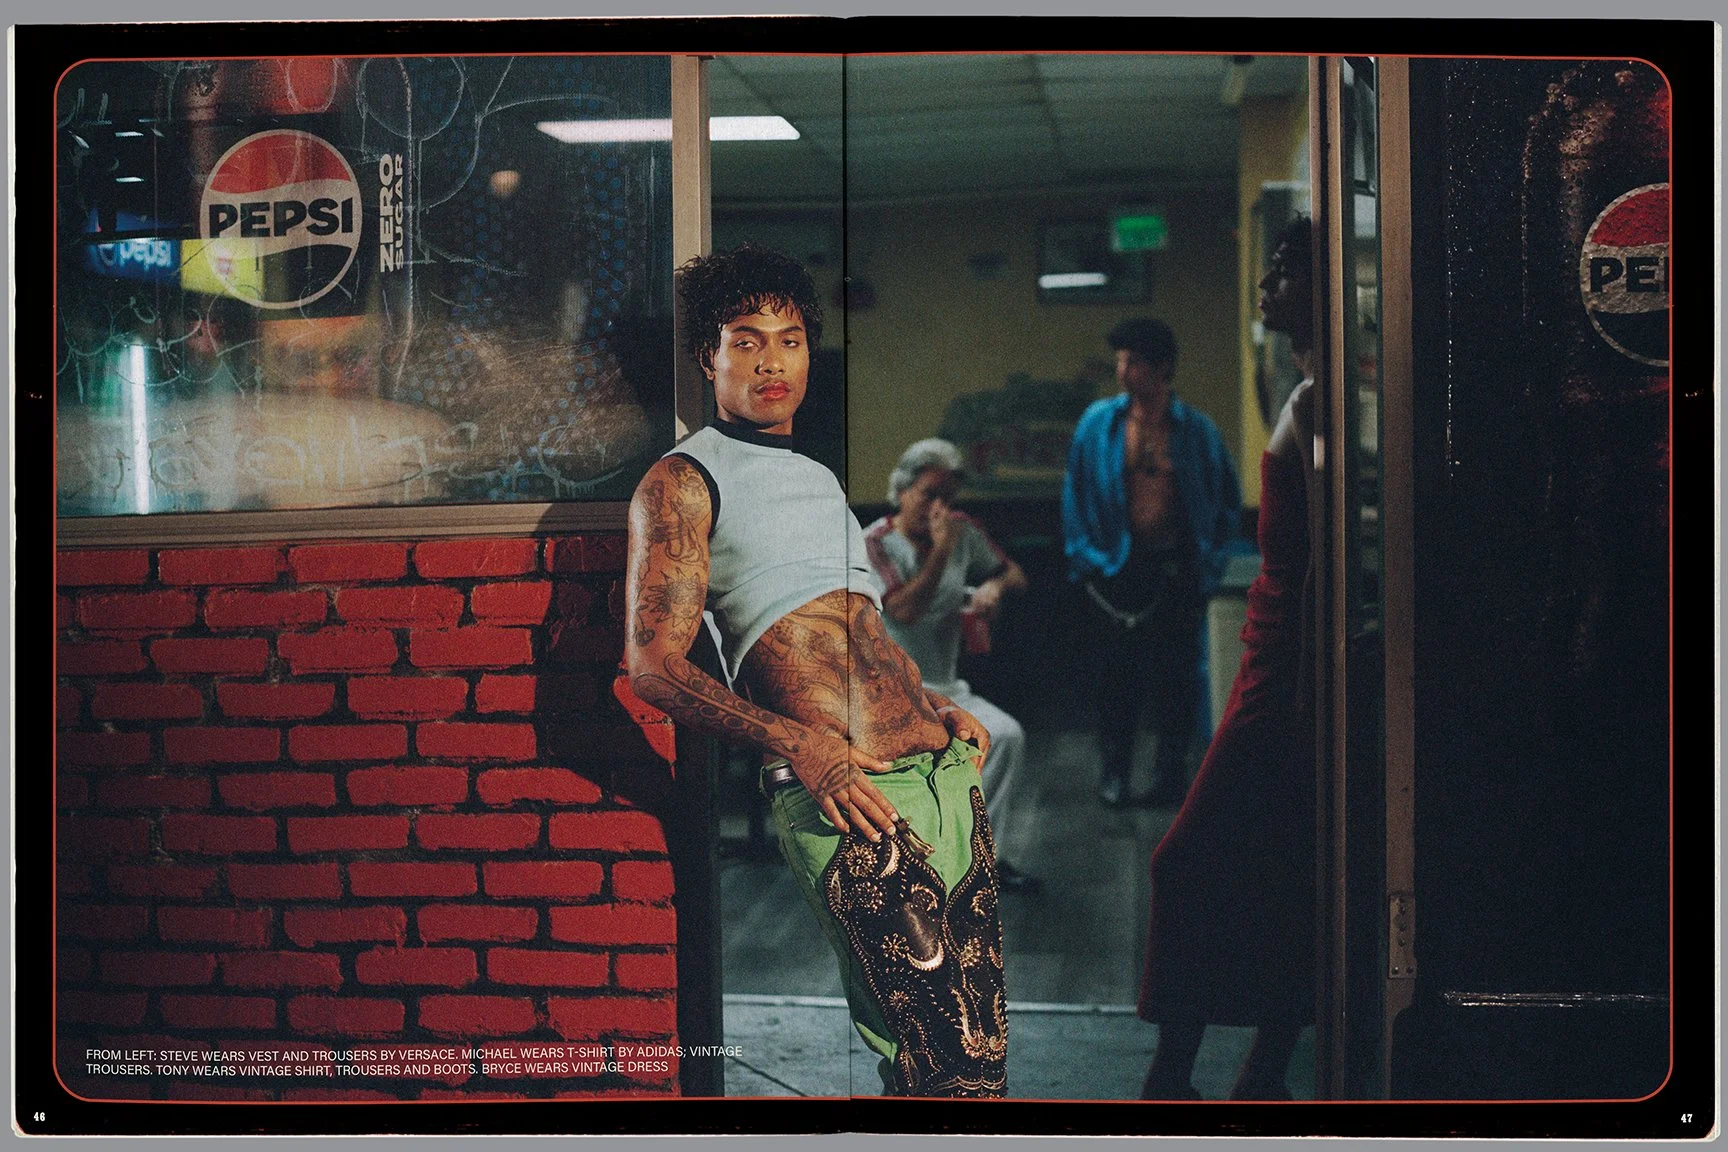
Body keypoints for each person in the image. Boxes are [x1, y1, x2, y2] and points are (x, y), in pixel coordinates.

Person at [623, 244, 1008, 1098]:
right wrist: (797, 743)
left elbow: (861, 634)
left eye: (790, 340)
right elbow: (651, 666)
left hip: (942, 771)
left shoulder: (817, 478)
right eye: (747, 340)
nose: (771, 361)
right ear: (708, 357)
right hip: (852, 793)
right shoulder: (685, 480)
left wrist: (935, 702)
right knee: (949, 1065)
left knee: (972, 1058)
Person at [1136, 215, 1318, 1101]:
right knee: (1291, 864)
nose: (1266, 277)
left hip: (1296, 665)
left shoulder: (1324, 400)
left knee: (1194, 859)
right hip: (1276, 646)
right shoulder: (1301, 389)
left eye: (1286, 266)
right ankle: (1257, 1073)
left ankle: (1181, 1075)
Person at [1061, 316, 1241, 807]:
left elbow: (1227, 498)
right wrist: (1088, 561)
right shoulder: (1100, 424)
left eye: (1134, 361)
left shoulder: (1197, 431)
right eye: (1119, 360)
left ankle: (1169, 778)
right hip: (1116, 570)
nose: (1123, 371)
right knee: (1117, 679)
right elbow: (1074, 495)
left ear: (1163, 368)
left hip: (1177, 568)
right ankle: (1114, 773)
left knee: (1177, 681)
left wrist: (1211, 562)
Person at [863, 439, 1036, 893]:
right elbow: (903, 609)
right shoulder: (874, 543)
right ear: (901, 491)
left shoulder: (962, 530)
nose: (939, 508)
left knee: (1006, 735)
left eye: (948, 498)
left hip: (946, 685)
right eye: (928, 495)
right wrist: (940, 552)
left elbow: (1015, 573)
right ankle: (936, 862)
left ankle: (986, 861)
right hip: (891, 692)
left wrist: (994, 587)